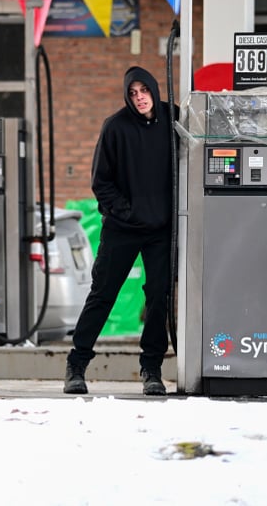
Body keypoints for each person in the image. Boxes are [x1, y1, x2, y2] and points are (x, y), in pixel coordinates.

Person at [64, 66, 176, 396]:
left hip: (161, 229)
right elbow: (101, 182)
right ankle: (76, 364)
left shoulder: (173, 120)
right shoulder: (114, 127)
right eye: (133, 93)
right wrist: (128, 212)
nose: (140, 98)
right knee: (103, 294)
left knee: (158, 297)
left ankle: (152, 369)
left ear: (154, 90)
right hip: (122, 228)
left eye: (144, 91)